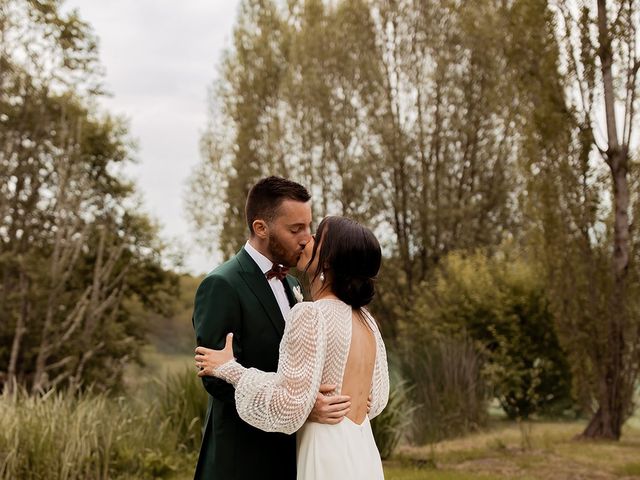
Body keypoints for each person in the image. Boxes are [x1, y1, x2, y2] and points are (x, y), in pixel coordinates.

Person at [195, 216, 390, 480]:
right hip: (361, 449)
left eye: (317, 238)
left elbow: (287, 405)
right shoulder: (367, 321)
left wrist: (229, 369)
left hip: (326, 448)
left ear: (328, 260)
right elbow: (375, 400)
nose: (307, 239)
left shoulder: (311, 315)